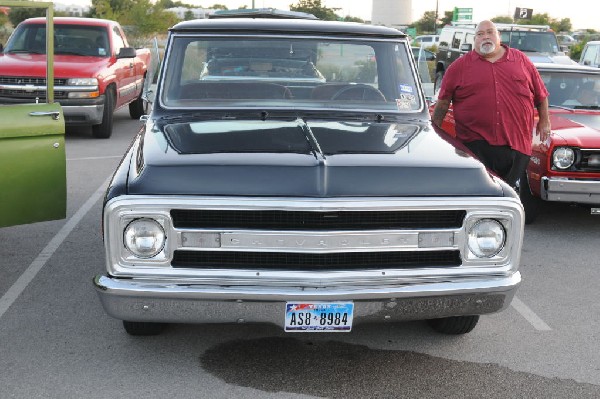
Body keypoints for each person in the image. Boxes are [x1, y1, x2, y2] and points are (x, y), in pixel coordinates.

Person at [432, 20, 551, 187]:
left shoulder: (521, 60)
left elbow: (541, 95)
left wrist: (545, 121)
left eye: (490, 32)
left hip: (517, 146)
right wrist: (433, 135)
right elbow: (443, 103)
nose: (485, 37)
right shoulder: (458, 67)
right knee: (479, 194)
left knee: (507, 194)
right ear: (474, 40)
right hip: (474, 147)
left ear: (499, 37)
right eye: (480, 34)